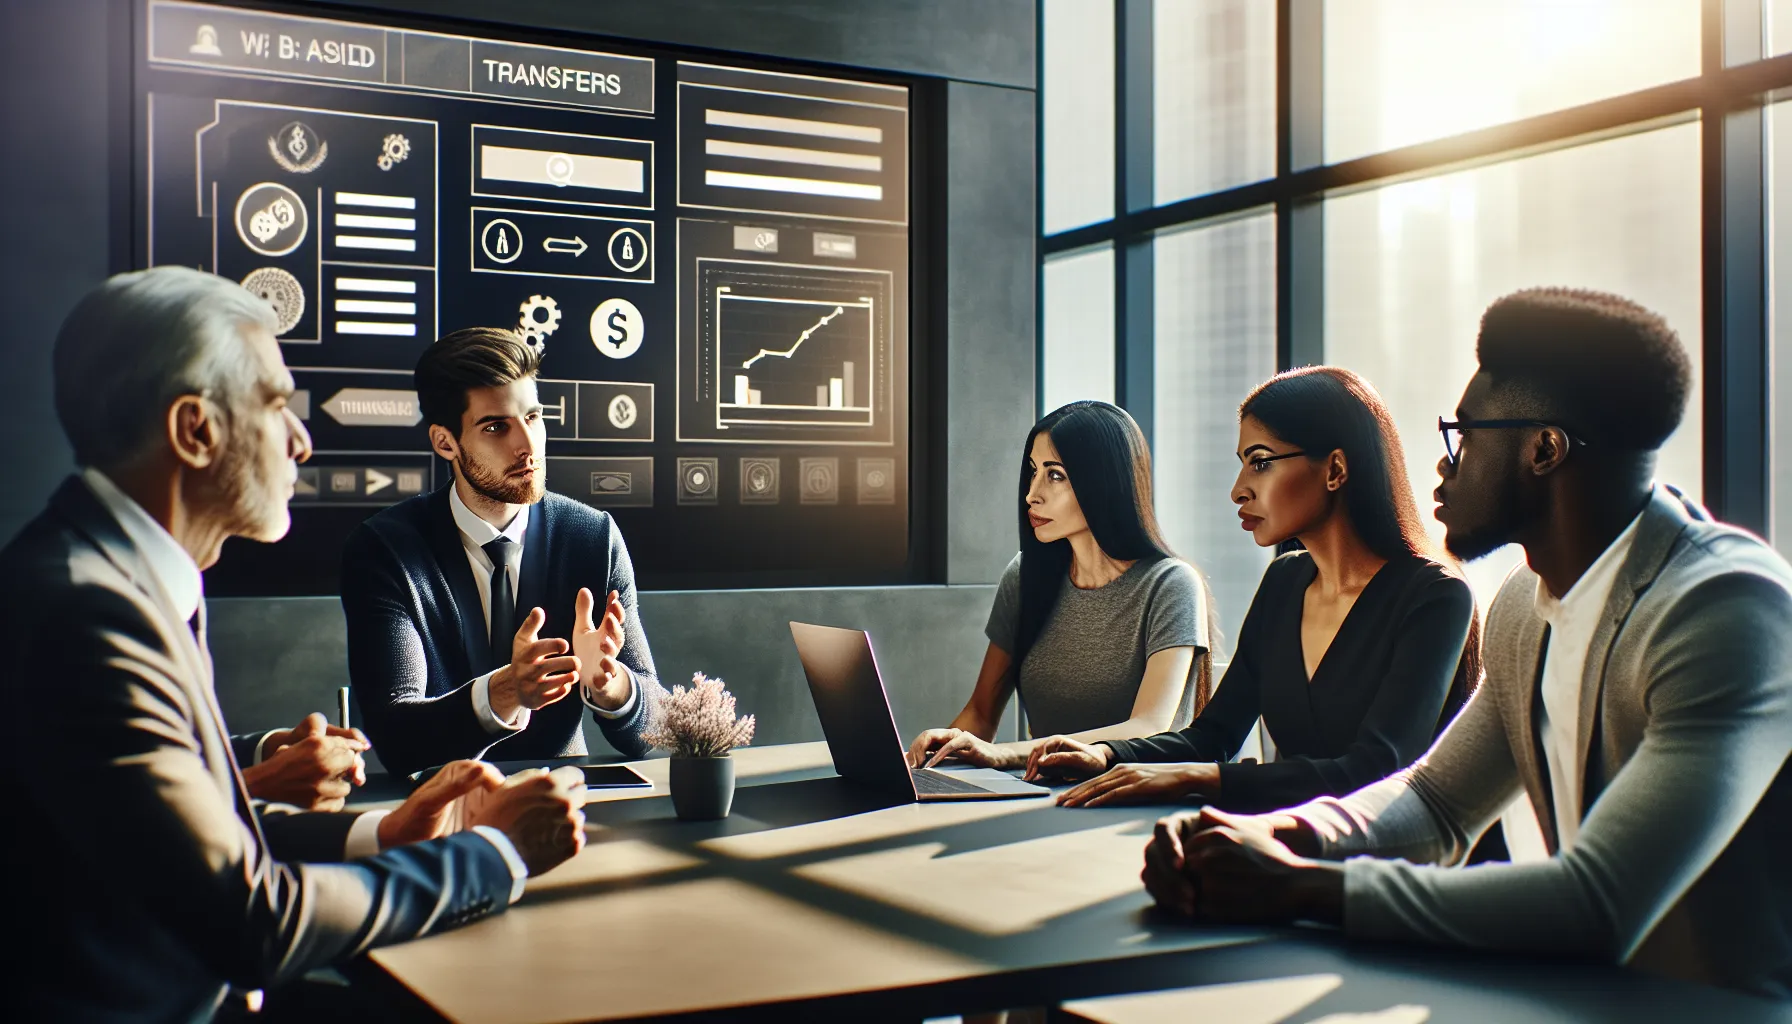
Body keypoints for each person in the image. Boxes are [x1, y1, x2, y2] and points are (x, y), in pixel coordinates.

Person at [1141, 288, 1792, 998]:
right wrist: (1283, 837)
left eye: (1465, 434)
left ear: (1543, 449)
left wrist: (1303, 889)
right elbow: (1436, 801)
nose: (1444, 465)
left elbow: (1598, 904)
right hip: (1574, 997)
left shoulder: (1727, 609)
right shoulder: (1523, 603)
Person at [11, 267, 588, 1021]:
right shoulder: (87, 616)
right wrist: (498, 854)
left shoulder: (109, 579)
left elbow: (184, 845)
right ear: (196, 430)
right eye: (278, 405)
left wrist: (385, 830)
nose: (303, 442)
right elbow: (254, 924)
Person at [1028, 368, 1482, 816]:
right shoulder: (1285, 580)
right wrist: (1108, 756)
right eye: (1242, 463)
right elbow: (1213, 736)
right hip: (1295, 851)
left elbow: (1377, 769)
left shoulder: (1437, 597)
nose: (1237, 490)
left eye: (1261, 462)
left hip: (1413, 873)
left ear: (1335, 469)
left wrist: (1196, 777)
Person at [341, 327, 660, 778]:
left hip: (569, 806)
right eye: (496, 427)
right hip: (442, 812)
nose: (527, 446)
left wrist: (611, 685)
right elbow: (396, 736)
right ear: (445, 442)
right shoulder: (384, 549)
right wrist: (504, 693)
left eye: (532, 417)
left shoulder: (593, 536)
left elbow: (655, 727)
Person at [905, 401, 1215, 772]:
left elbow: (1147, 727)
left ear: (1104, 482)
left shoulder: (1171, 584)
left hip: (1134, 800)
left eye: (1055, 476)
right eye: (1033, 472)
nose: (1031, 494)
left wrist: (1006, 753)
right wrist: (927, 764)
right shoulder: (1025, 577)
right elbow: (981, 714)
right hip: (1042, 792)